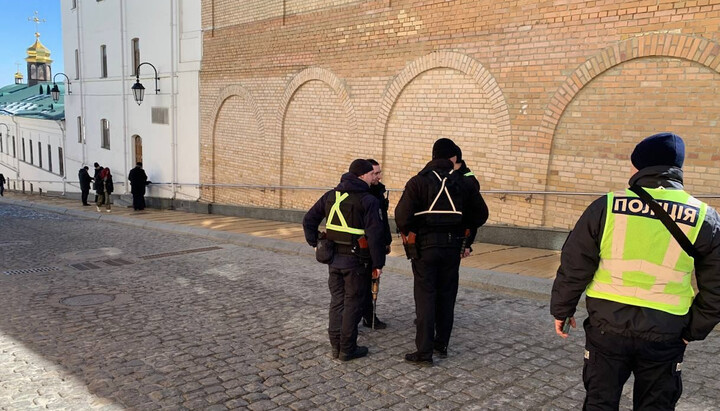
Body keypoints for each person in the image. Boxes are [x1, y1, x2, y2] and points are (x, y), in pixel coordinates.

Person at [551, 132, 720, 410]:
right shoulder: (705, 217)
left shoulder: (606, 206)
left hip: (607, 325)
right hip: (666, 330)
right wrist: (694, 330)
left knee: (600, 403)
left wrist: (562, 309)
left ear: (639, 167)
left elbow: (575, 264)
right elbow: (716, 287)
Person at [395, 138, 489, 365]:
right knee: (447, 296)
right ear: (451, 158)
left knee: (425, 297)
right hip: (452, 247)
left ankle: (424, 352)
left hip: (424, 248)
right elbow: (481, 215)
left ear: (433, 155)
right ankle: (441, 344)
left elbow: (401, 217)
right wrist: (462, 226)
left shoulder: (418, 182)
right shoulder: (463, 183)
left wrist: (412, 229)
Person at [303, 159, 387, 362]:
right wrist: (378, 264)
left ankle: (335, 346)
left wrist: (315, 243)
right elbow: (375, 236)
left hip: (334, 260)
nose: (377, 177)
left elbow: (308, 219)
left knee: (337, 302)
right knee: (352, 303)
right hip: (356, 261)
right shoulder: (368, 200)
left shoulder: (331, 195)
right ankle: (347, 349)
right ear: (362, 176)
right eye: (372, 174)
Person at [361, 159, 392, 330]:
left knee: (373, 279)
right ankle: (364, 315)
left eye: (379, 173)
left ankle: (369, 315)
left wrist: (387, 241)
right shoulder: (363, 195)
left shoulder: (379, 192)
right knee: (362, 283)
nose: (379, 176)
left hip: (377, 241)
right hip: (365, 244)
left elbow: (383, 220)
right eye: (375, 173)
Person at [453, 145, 481, 258]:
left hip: (459, 238)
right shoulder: (463, 177)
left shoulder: (467, 181)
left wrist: (467, 243)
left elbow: (473, 214)